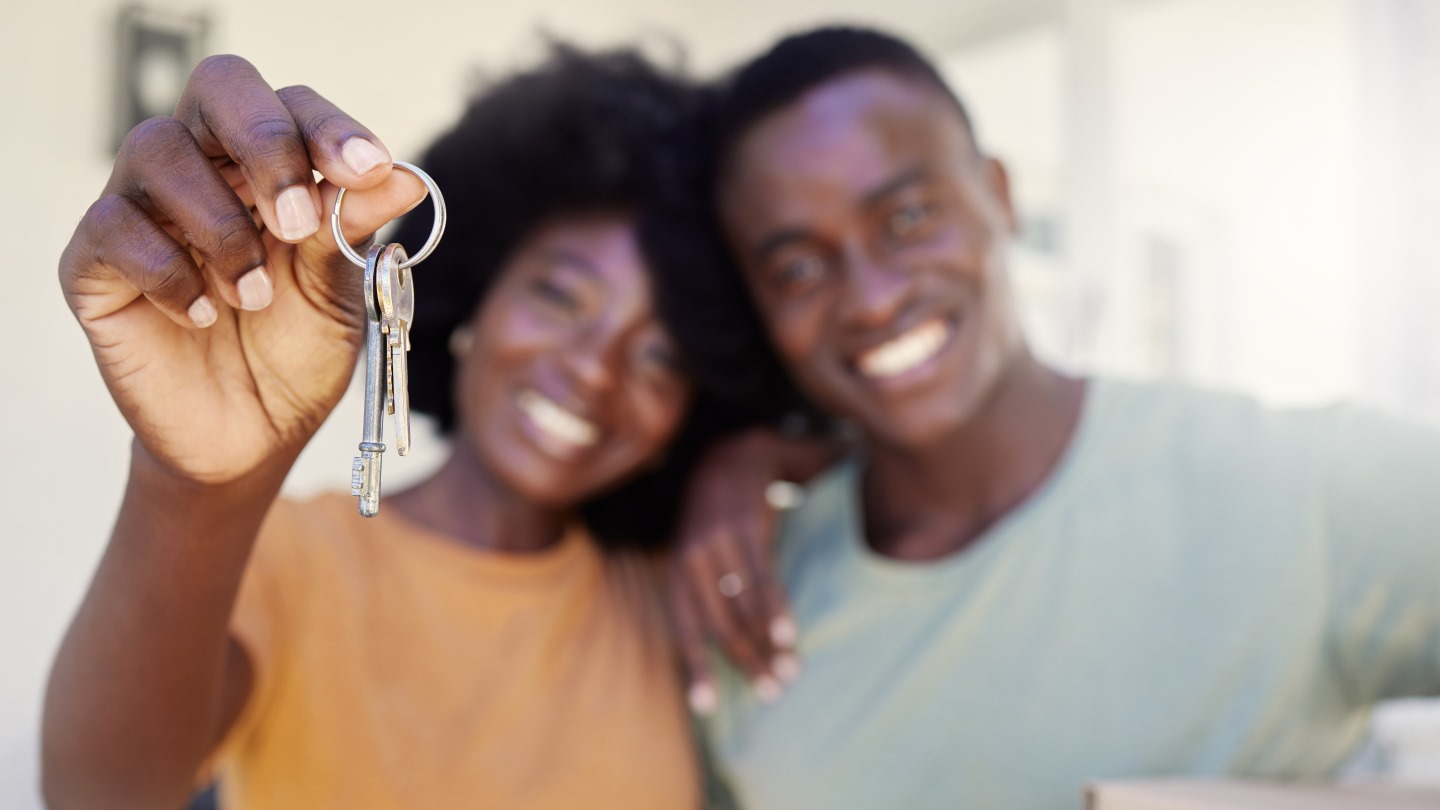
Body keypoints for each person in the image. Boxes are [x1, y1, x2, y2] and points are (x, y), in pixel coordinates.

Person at [668, 26, 1440, 808]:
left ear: (998, 197)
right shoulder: (747, 612)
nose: (872, 298)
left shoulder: (1298, 489)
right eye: (797, 269)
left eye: (907, 219)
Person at [43, 44, 761, 810]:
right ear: (476, 296)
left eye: (662, 352)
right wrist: (189, 485)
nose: (594, 366)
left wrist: (752, 457)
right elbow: (102, 795)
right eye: (560, 297)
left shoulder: (685, 582)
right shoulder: (294, 556)